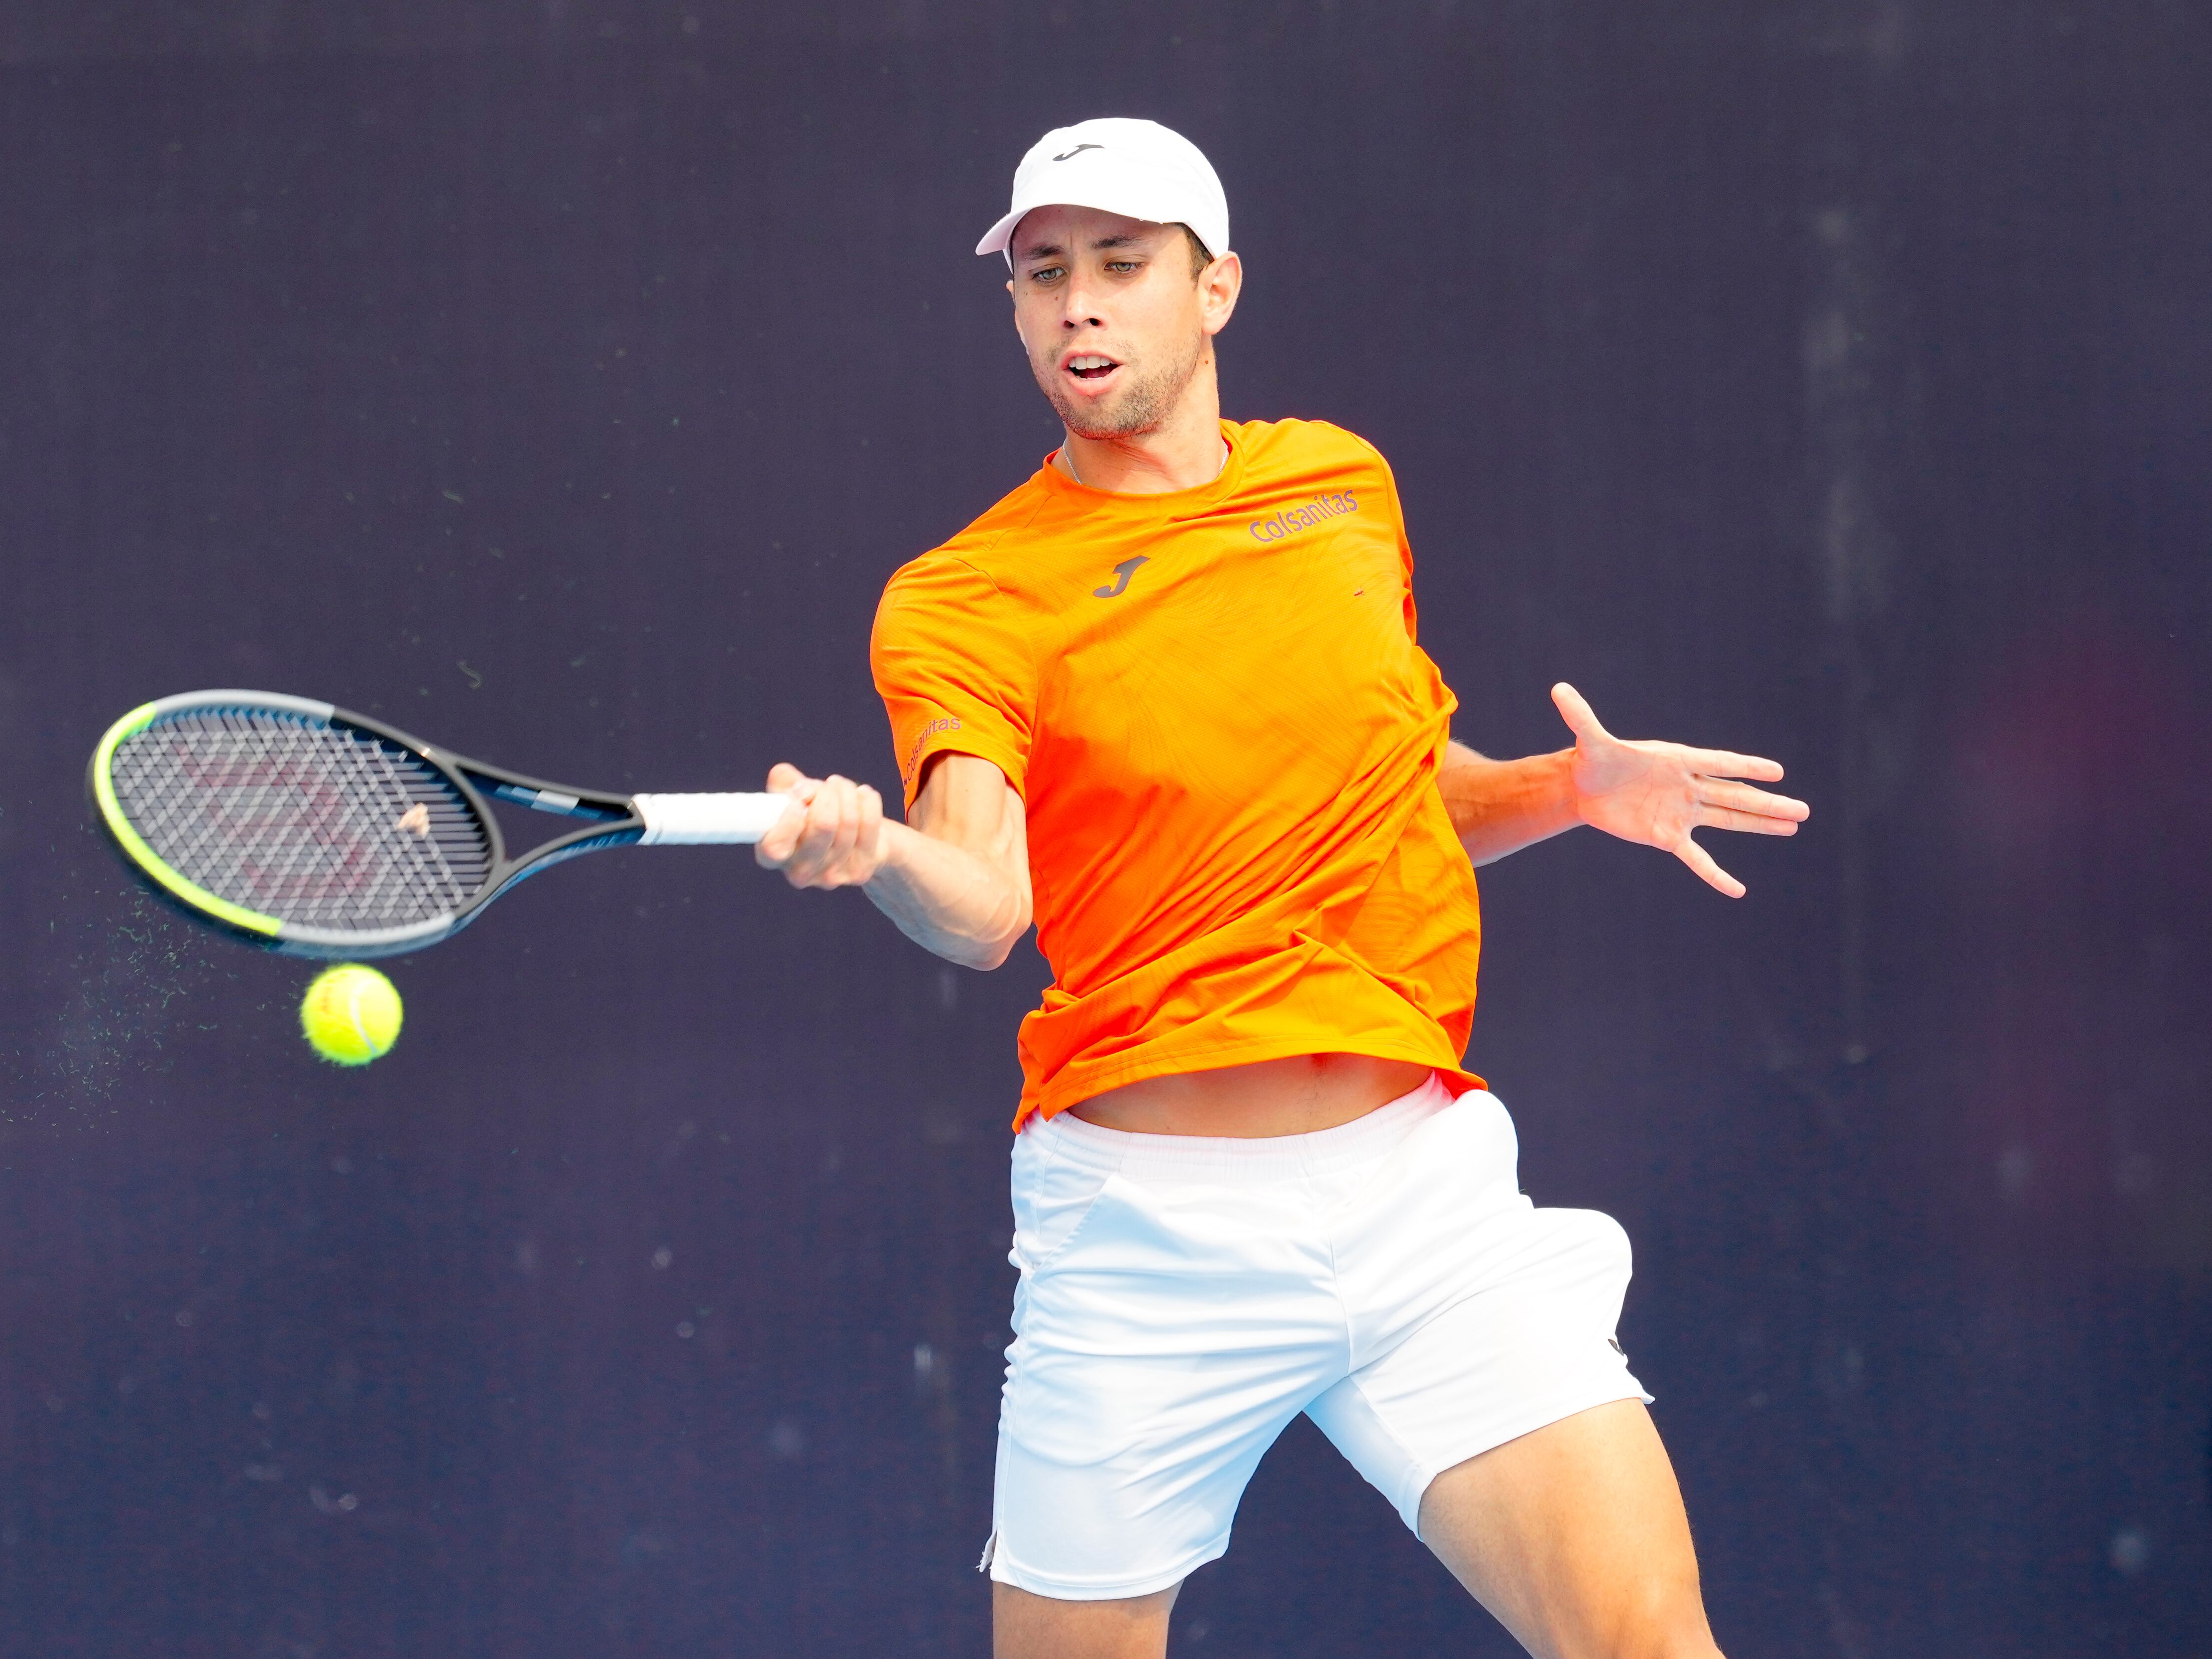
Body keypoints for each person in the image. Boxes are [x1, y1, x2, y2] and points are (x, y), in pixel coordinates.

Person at [754, 117, 1808, 1659]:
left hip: (1422, 1195)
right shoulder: (963, 597)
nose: (1079, 307)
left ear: (1217, 289)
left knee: (1652, 1640)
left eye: (1122, 266)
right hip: (1146, 1236)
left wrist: (1570, 793)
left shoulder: (1340, 487)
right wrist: (877, 854)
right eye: (1044, 275)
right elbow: (981, 906)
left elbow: (1384, 793)